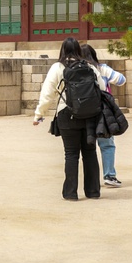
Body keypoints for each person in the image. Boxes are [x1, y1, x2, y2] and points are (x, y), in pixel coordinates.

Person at [32, 37, 106, 200]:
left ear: (62, 50)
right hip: (89, 116)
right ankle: (93, 191)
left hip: (67, 114)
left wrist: (39, 115)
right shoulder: (89, 67)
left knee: (71, 154)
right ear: (79, 50)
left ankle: (71, 193)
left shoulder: (58, 67)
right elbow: (101, 88)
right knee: (90, 153)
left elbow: (47, 93)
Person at [82, 44, 126, 188]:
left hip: (82, 112)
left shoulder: (76, 70)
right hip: (101, 112)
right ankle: (109, 175)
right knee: (107, 144)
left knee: (87, 147)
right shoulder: (102, 69)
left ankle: (90, 179)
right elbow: (121, 80)